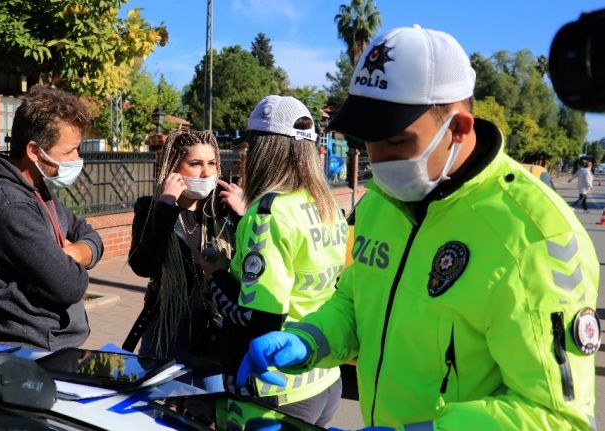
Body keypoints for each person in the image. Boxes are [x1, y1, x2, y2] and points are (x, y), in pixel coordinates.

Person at [237, 26, 600, 430]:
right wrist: (308, 341)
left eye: (395, 140)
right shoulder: (379, 203)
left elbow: (557, 418)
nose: (376, 157)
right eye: (368, 140)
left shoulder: (535, 235)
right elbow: (356, 304)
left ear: (460, 128)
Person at [198, 95, 348, 426]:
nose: (245, 157)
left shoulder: (267, 214)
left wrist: (217, 273)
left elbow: (256, 318)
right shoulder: (327, 205)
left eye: (249, 148)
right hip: (322, 378)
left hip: (272, 387)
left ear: (265, 150)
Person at [0, 85, 103, 350]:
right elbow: (69, 285)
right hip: (31, 352)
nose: (77, 159)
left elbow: (88, 233)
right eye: (69, 152)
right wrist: (78, 260)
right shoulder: (8, 204)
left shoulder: (38, 189)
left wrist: (77, 252)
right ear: (33, 150)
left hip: (55, 346)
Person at [124, 130, 239, 391]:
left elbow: (252, 269)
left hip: (214, 342)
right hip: (167, 340)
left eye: (212, 163)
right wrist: (166, 206)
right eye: (195, 164)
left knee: (213, 418)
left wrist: (245, 216)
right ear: (174, 166)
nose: (206, 173)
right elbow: (143, 265)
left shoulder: (225, 211)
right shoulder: (151, 208)